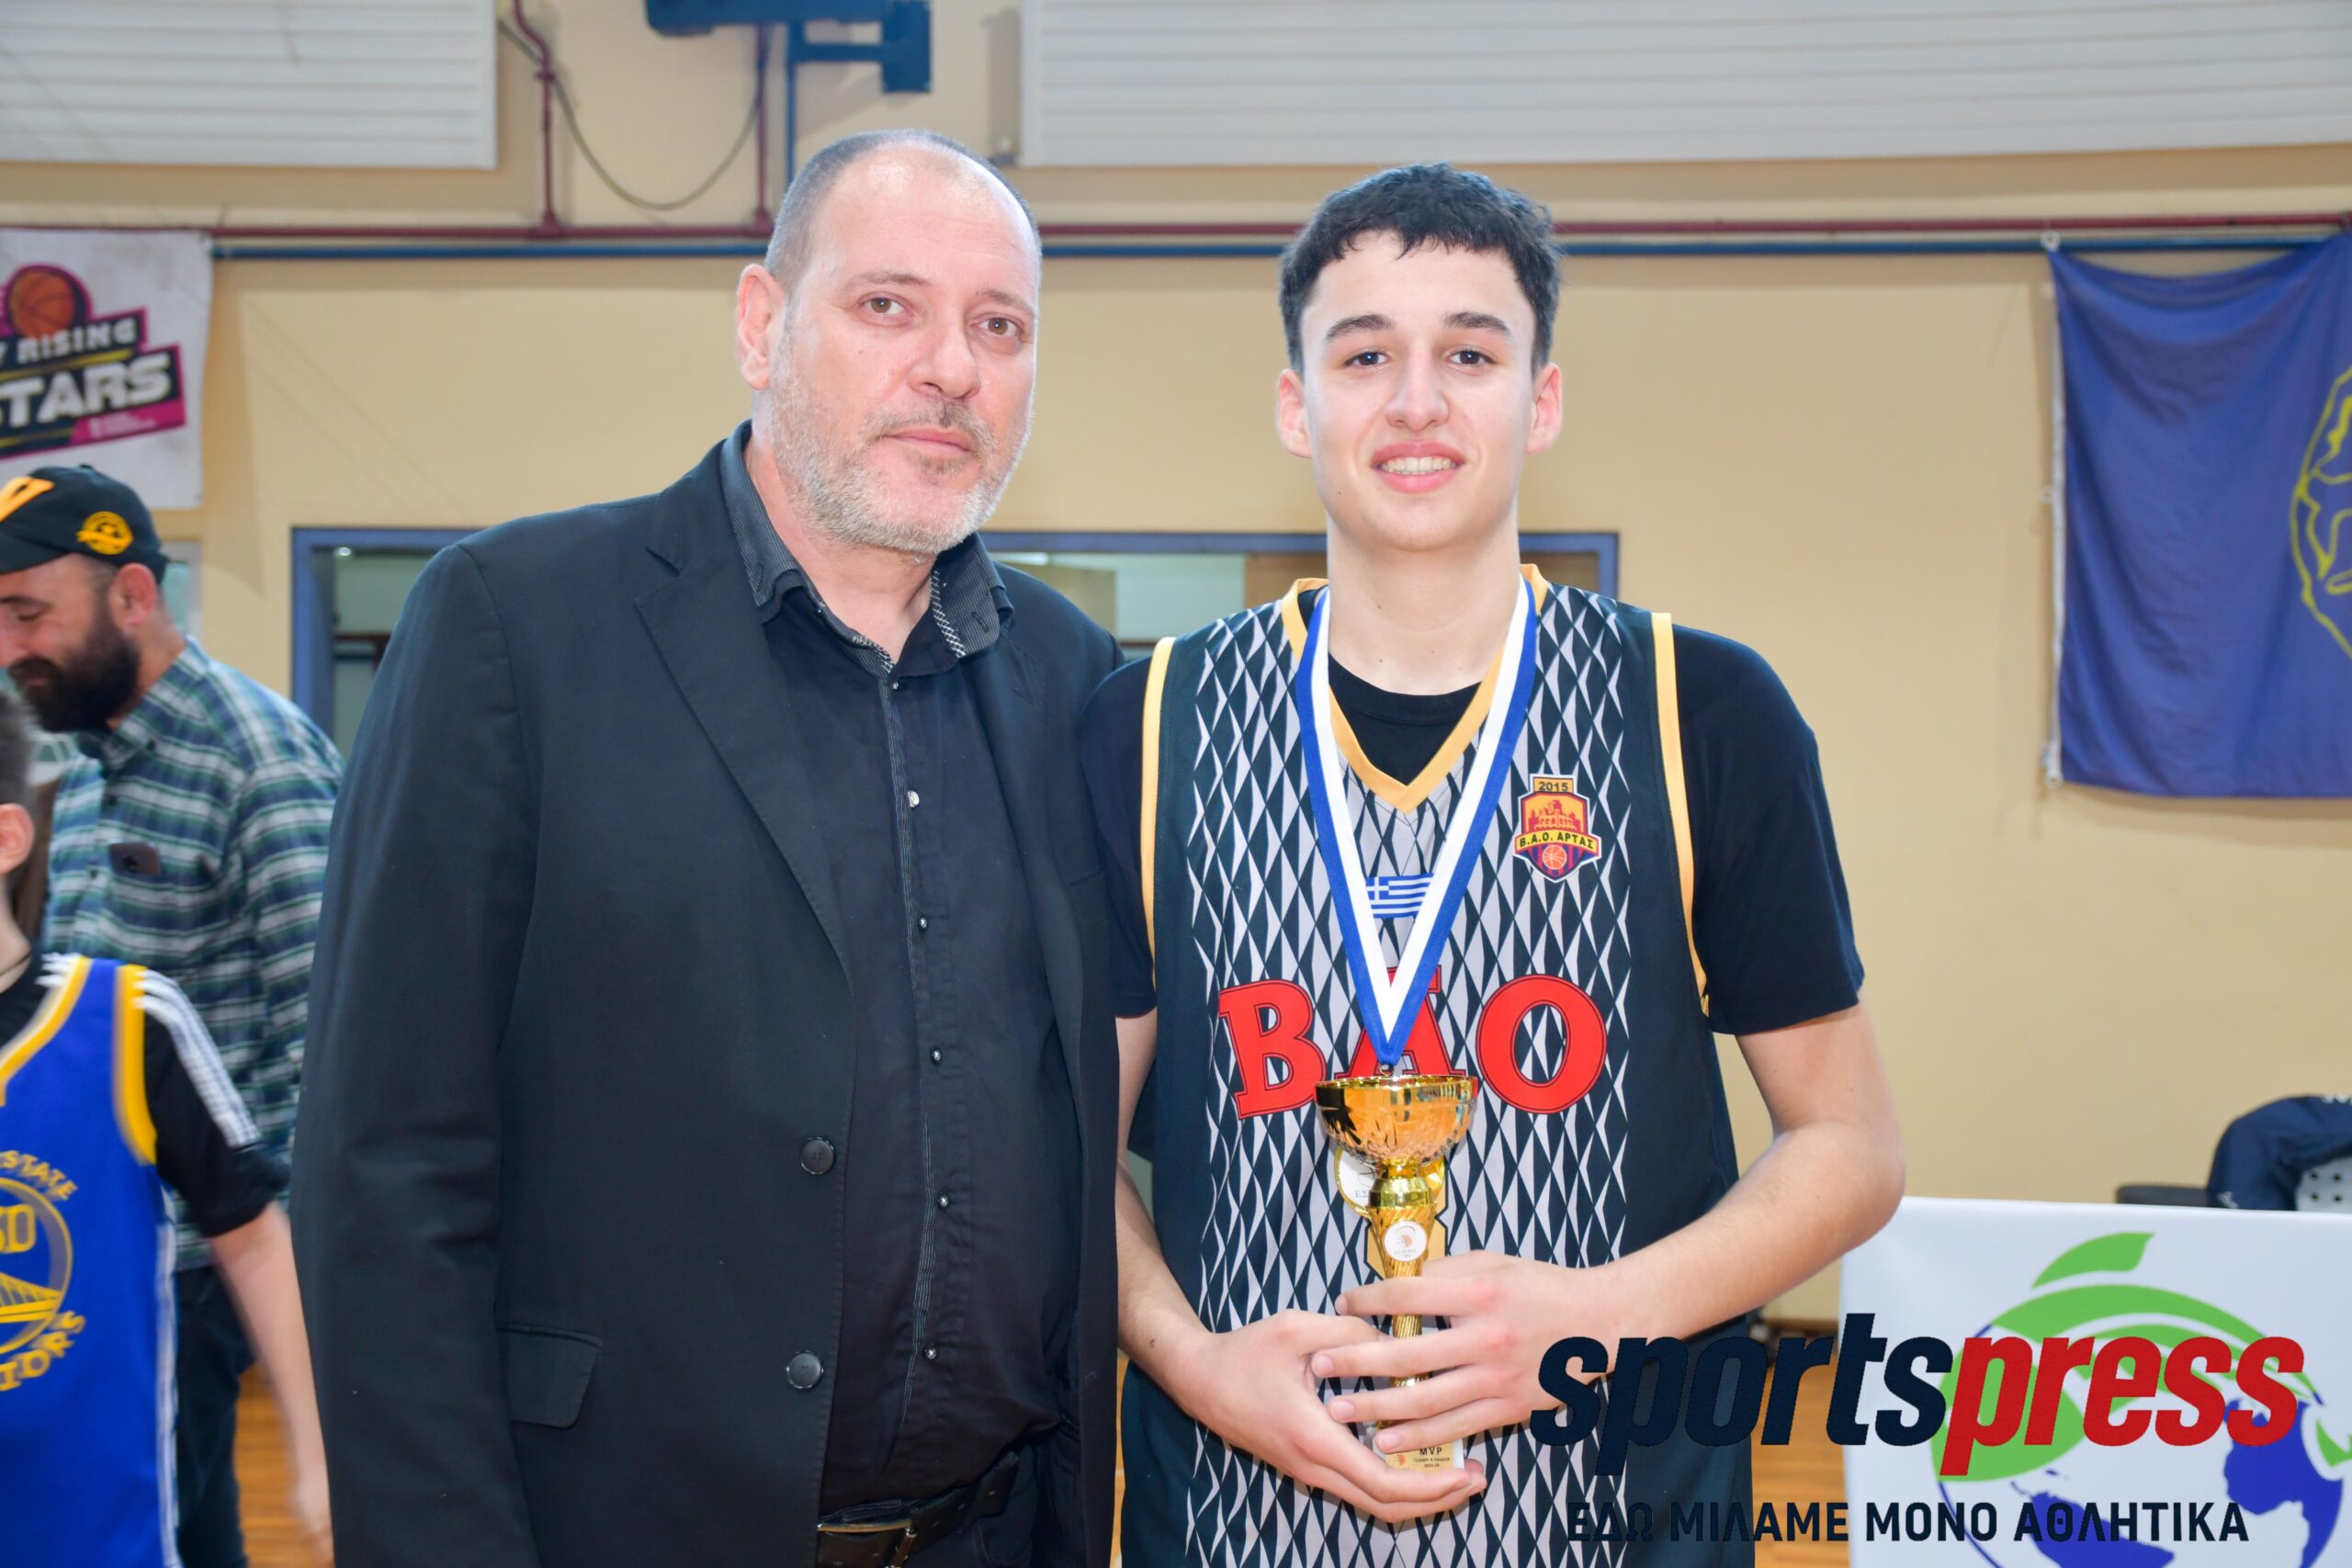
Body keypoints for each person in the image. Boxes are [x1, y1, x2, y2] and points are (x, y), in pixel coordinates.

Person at [293, 130, 1122, 1568]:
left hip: (991, 1530)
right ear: (761, 322)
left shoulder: (1070, 675)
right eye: (889, 305)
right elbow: (387, 1167)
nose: (951, 366)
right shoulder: (514, 625)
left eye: (1000, 326)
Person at [1081, 164, 1905, 1566]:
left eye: (1470, 353)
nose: (1417, 401)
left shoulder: (1697, 708)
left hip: (1613, 1513)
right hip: (1239, 1515)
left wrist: (1599, 1318)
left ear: (1543, 398)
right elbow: (1072, 1152)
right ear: (1295, 404)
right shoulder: (1150, 721)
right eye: (1364, 356)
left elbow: (1850, 1147)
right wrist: (1192, 1359)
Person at [0, 463, 340, 1568]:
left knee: (162, 1522)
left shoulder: (259, 759)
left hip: (198, 1253)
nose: (8, 648)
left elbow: (334, 1041)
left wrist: (302, 1297)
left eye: (29, 614)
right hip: (92, 1238)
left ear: (133, 596)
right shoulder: (84, 759)